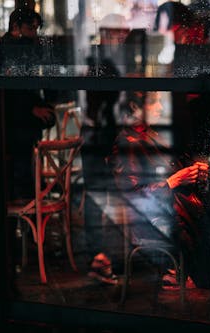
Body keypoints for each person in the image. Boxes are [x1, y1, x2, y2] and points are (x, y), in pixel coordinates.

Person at [107, 90, 210, 290]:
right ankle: (202, 277)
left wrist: (193, 171)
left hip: (176, 205)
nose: (161, 108)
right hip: (154, 217)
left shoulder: (151, 133)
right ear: (135, 108)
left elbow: (172, 166)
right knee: (209, 219)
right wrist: (172, 182)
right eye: (154, 103)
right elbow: (135, 197)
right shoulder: (127, 143)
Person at [0, 7, 56, 200]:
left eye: (36, 29)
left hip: (20, 126)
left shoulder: (19, 49)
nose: (35, 34)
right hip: (13, 130)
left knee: (25, 173)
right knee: (21, 179)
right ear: (16, 27)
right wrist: (33, 109)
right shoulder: (8, 51)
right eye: (31, 28)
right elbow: (9, 95)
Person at [81, 58, 121, 284]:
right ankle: (99, 257)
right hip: (97, 144)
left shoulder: (97, 116)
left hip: (94, 142)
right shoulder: (103, 118)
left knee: (96, 203)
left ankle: (98, 256)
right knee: (99, 203)